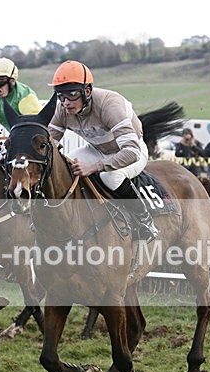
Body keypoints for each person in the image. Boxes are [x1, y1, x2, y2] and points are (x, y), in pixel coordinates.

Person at [47, 60, 158, 241]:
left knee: (110, 176)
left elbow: (131, 152)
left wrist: (95, 167)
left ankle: (145, 219)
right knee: (65, 168)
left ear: (87, 91)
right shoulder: (62, 108)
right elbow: (49, 144)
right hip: (96, 149)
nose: (66, 103)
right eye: (61, 96)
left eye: (72, 95)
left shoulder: (109, 104)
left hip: (132, 151)